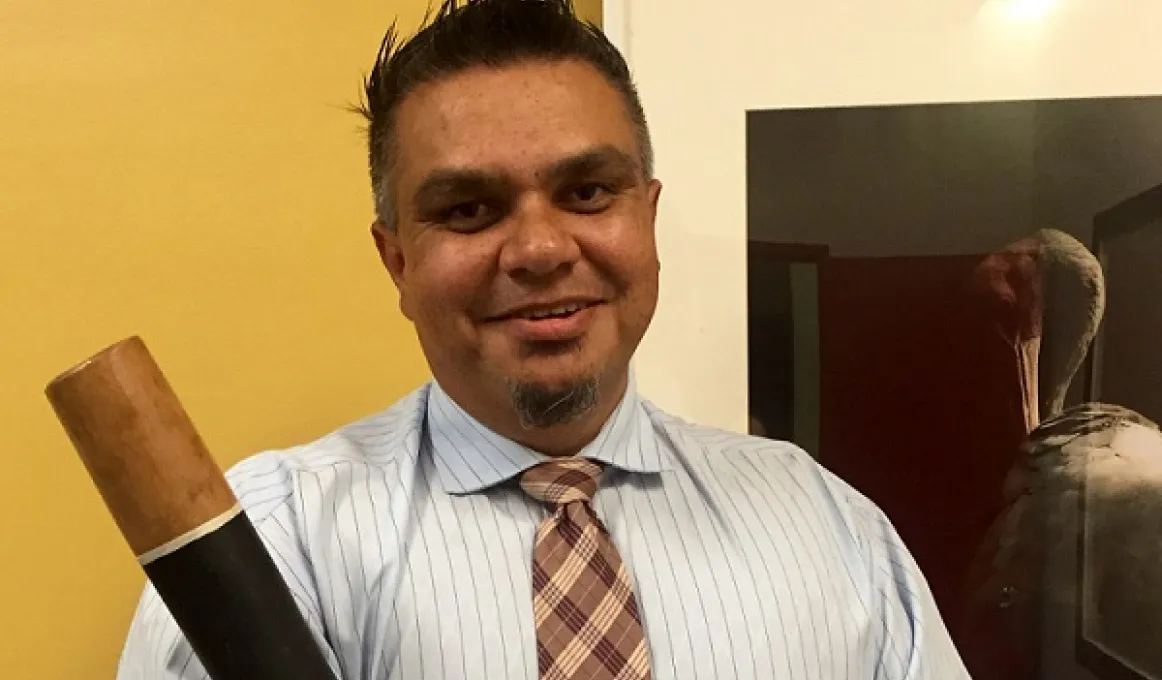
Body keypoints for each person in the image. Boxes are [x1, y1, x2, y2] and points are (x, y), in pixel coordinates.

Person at [117, 1, 971, 678]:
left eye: (589, 191)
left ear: (648, 217)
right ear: (397, 261)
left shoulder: (828, 527)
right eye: (468, 209)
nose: (539, 249)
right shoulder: (272, 546)